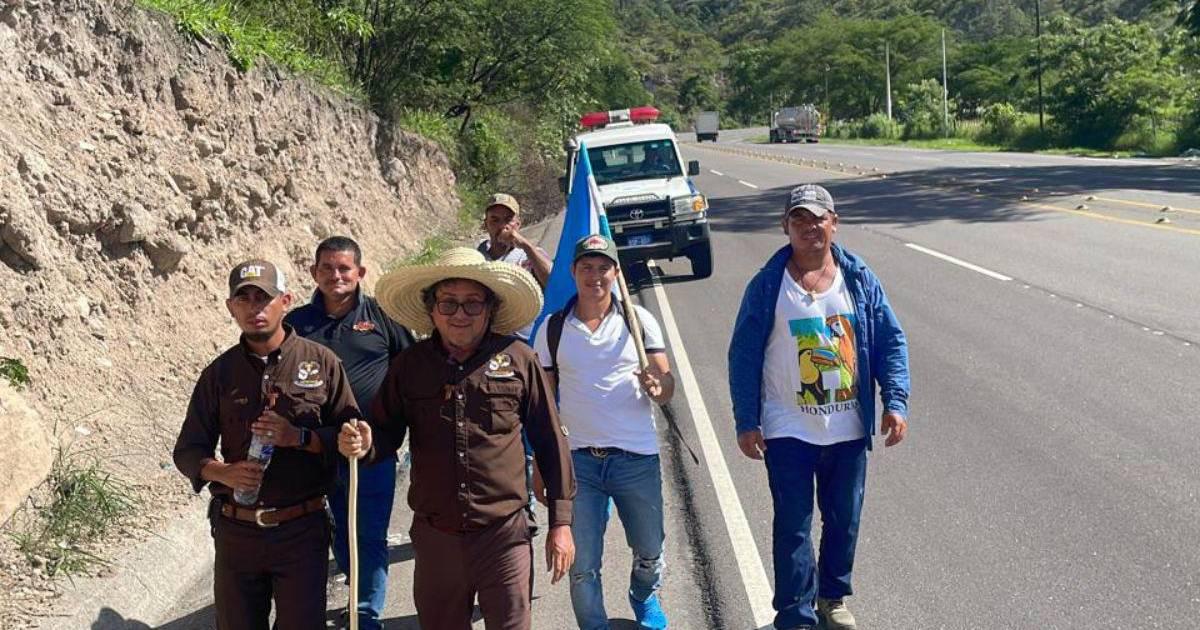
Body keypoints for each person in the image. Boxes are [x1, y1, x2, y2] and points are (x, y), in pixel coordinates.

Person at [337, 247, 576, 630]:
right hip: (436, 540)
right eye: (448, 304)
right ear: (432, 309)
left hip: (505, 536)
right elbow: (383, 433)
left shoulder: (519, 358)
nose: (460, 315)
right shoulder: (409, 366)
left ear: (490, 308)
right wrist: (363, 443)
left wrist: (561, 523)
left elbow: (549, 438)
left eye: (472, 304)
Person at [727, 184, 911, 630]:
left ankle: (832, 598)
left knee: (844, 520)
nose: (811, 227)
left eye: (818, 218)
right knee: (793, 524)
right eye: (800, 220)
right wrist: (747, 420)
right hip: (787, 426)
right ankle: (794, 613)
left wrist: (895, 400)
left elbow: (890, 339)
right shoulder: (769, 284)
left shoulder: (859, 277)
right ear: (786, 227)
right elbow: (744, 353)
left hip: (847, 426)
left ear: (834, 222)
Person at [173, 259, 361, 630]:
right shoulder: (219, 374)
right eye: (244, 299)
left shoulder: (321, 362)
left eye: (264, 298)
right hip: (237, 533)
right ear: (231, 307)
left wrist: (300, 437)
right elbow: (188, 450)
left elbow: (348, 435)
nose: (255, 308)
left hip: (301, 530)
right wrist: (223, 473)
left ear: (285, 300)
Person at [532, 234, 674, 630]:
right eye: (586, 267)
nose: (595, 276)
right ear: (574, 272)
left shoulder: (638, 321)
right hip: (578, 462)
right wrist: (541, 464)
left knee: (650, 550)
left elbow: (667, 388)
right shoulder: (553, 328)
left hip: (636, 457)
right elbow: (542, 405)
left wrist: (659, 385)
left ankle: (643, 594)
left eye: (603, 268)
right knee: (582, 564)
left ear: (616, 273)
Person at [284, 236, 415, 630]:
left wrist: (395, 428)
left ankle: (366, 612)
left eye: (344, 268)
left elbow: (410, 372)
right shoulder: (297, 324)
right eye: (327, 268)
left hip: (371, 449)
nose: (335, 275)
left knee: (370, 531)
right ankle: (352, 578)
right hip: (314, 449)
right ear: (313, 273)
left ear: (360, 272)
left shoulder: (384, 317)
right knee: (336, 527)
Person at [478, 192, 552, 289]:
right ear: (486, 225)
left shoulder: (530, 257)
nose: (502, 226)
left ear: (518, 224)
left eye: (508, 220)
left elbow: (554, 283)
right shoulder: (477, 257)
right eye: (495, 220)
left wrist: (526, 246)